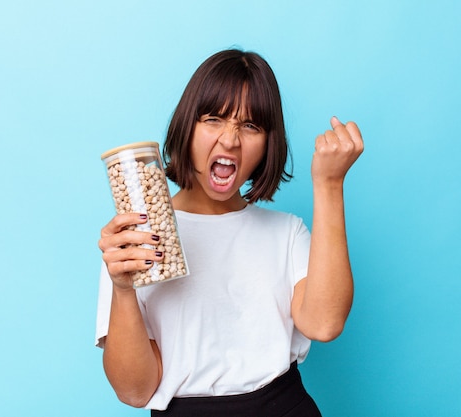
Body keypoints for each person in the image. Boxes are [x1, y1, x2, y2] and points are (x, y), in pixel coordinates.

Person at [95, 49, 363, 416]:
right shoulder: (138, 238)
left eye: (250, 126)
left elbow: (324, 323)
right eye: (213, 119)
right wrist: (123, 289)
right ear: (187, 128)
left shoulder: (286, 233)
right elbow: (135, 391)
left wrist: (330, 184)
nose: (231, 140)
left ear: (268, 142)